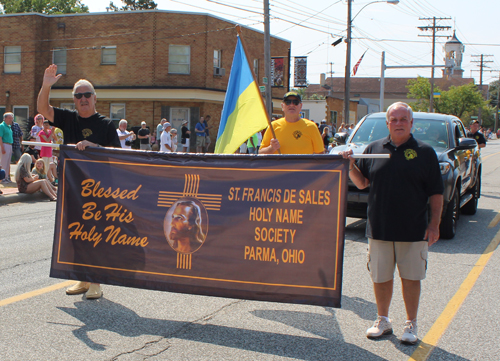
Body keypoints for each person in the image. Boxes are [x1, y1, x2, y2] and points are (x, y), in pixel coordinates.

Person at [339, 102, 444, 345]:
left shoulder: (425, 152)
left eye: (403, 119)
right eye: (394, 119)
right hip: (379, 227)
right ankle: (383, 320)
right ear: (387, 123)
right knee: (381, 277)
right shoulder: (374, 148)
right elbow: (362, 183)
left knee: (411, 278)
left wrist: (434, 224)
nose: (398, 123)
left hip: (413, 228)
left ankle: (411, 323)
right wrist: (351, 164)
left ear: (411, 123)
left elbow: (436, 192)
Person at [37, 63, 121, 299]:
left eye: (87, 95)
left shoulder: (106, 125)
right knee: (77, 234)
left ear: (95, 98)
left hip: (100, 191)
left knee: (96, 235)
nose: (83, 99)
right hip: (73, 189)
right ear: (74, 100)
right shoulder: (68, 119)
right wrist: (46, 85)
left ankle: (96, 281)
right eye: (78, 96)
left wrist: (95, 147)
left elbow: (118, 155)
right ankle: (83, 279)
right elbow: (43, 108)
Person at [259, 92, 324, 155]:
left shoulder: (311, 127)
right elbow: (260, 153)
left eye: (295, 102)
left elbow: (321, 154)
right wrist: (271, 148)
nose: (292, 105)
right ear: (282, 106)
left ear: (300, 106)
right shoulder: (273, 126)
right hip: (279, 166)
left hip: (303, 166)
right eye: (288, 102)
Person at [0, 112, 14, 183]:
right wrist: (2, 148)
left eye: (12, 118)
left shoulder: (9, 126)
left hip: (9, 145)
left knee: (8, 162)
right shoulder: (2, 126)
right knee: (3, 162)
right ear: (5, 118)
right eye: (9, 118)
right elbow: (0, 137)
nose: (11, 119)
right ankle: (2, 178)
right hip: (4, 144)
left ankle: (6, 177)